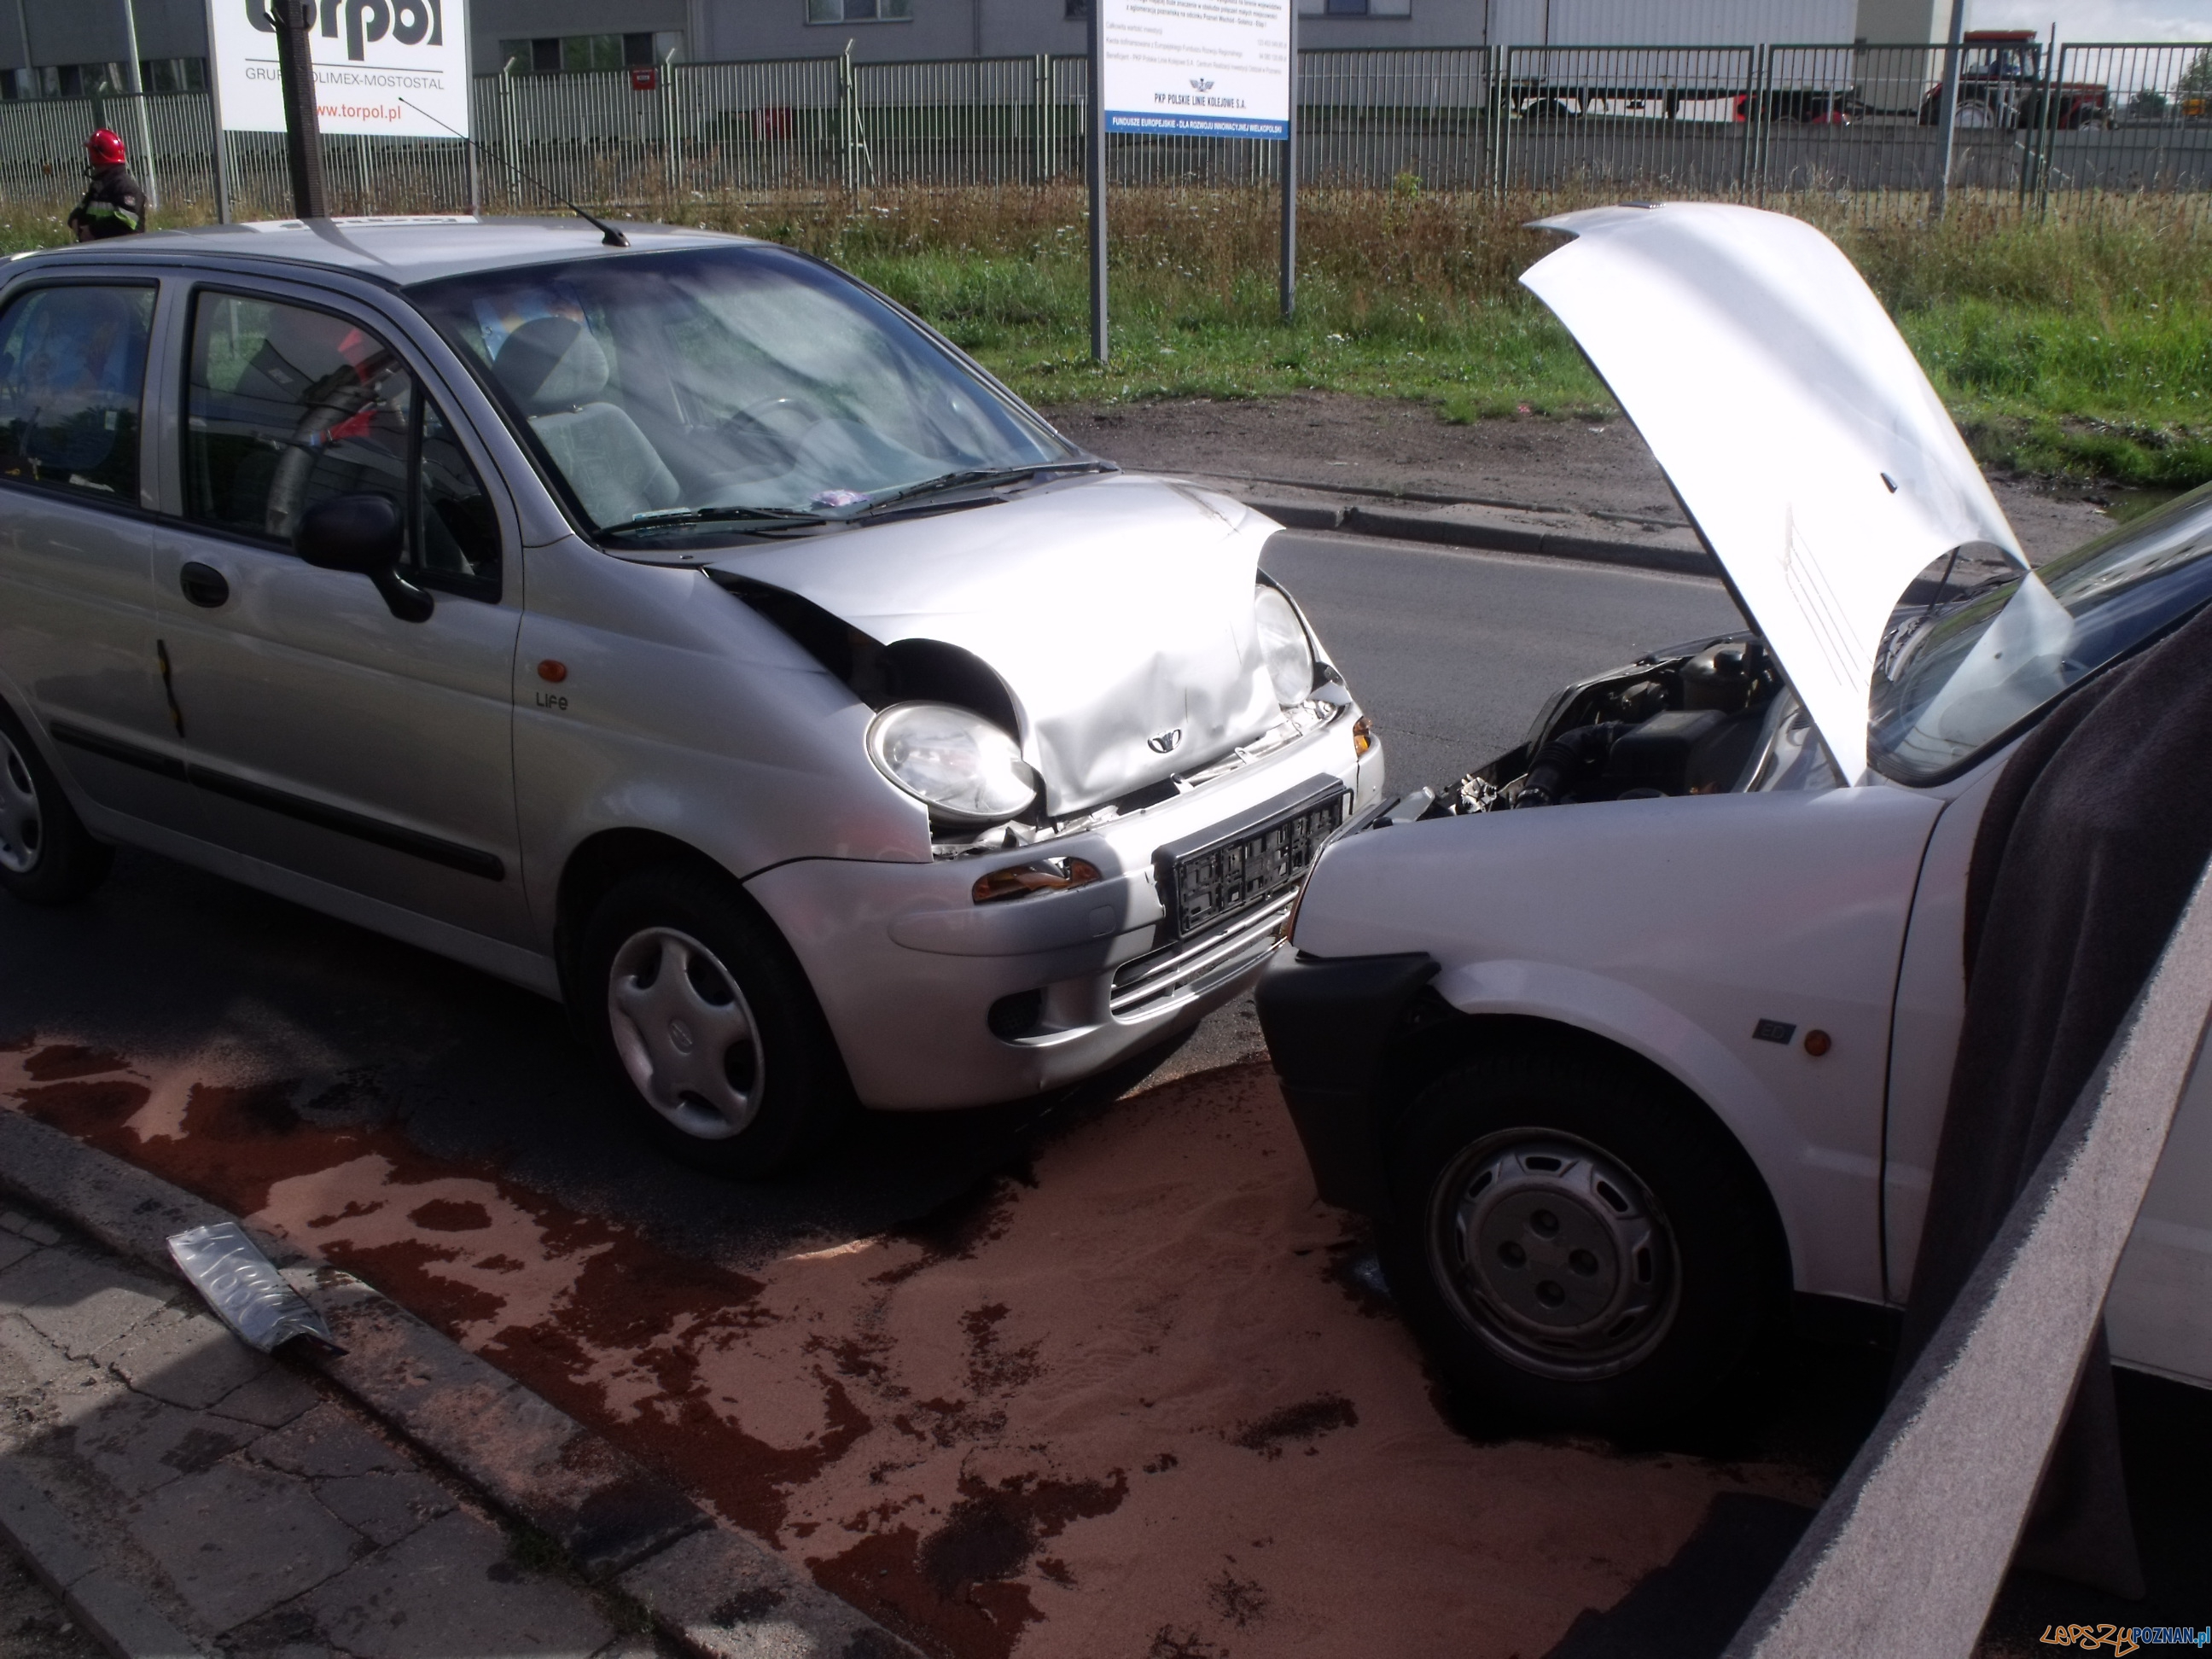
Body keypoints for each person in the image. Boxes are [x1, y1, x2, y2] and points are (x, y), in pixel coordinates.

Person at [66, 130, 148, 242]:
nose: (89, 158)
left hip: (122, 254)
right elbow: (78, 213)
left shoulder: (125, 188)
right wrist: (75, 222)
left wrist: (92, 230)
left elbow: (126, 222)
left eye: (90, 153)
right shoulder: (99, 186)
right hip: (100, 251)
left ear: (98, 155)